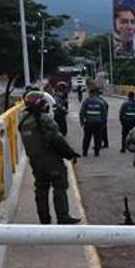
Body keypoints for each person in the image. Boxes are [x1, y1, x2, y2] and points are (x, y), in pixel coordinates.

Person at [18, 90, 81, 224]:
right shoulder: (44, 119)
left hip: (34, 161)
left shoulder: (23, 121)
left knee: (41, 188)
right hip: (50, 159)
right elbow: (57, 139)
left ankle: (44, 219)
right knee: (59, 185)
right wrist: (70, 154)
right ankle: (63, 217)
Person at [79, 86, 109, 156]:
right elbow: (104, 113)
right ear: (95, 93)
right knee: (97, 138)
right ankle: (96, 152)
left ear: (90, 93)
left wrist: (81, 122)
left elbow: (82, 112)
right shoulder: (100, 102)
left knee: (87, 138)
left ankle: (85, 152)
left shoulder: (86, 101)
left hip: (88, 123)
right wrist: (104, 122)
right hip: (98, 123)